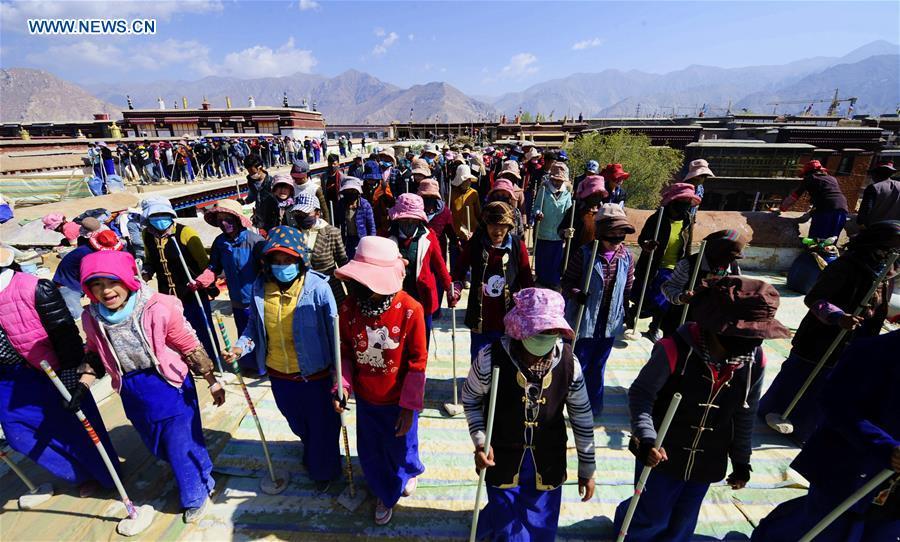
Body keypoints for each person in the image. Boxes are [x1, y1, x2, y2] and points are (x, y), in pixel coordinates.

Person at [613, 276, 790, 541]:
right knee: (652, 513)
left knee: (685, 517)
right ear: (716, 326)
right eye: (741, 336)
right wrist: (646, 437)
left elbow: (745, 411)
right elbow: (642, 394)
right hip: (662, 452)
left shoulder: (755, 359)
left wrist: (741, 460)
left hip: (709, 456)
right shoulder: (674, 350)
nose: (750, 344)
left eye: (755, 337)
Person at [79, 250, 224, 523]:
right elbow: (94, 353)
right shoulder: (92, 318)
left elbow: (188, 344)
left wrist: (212, 381)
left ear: (127, 279)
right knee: (159, 445)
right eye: (96, 285)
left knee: (180, 444)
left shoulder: (158, 307)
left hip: (169, 384)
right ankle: (201, 468)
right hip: (131, 388)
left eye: (112, 282)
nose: (106, 291)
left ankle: (197, 494)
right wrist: (82, 386)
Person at [463, 287, 596, 540]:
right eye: (539, 332)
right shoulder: (489, 358)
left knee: (540, 523)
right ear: (519, 328)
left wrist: (587, 468)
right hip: (500, 458)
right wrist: (481, 441)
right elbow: (470, 399)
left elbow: (581, 416)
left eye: (551, 332)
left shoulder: (570, 364)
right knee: (506, 525)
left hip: (548, 460)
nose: (546, 337)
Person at [758, 220, 900, 444]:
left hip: (857, 338)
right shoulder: (846, 266)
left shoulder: (886, 272)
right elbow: (814, 298)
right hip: (821, 337)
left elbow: (878, 305)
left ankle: (804, 430)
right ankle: (770, 411)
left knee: (829, 388)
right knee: (799, 377)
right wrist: (838, 317)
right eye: (892, 246)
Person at [751, 330, 900, 542]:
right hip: (849, 469)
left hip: (893, 495)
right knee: (822, 529)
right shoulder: (873, 351)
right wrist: (886, 447)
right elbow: (835, 404)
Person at [225, 226, 342, 492]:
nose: (282, 266)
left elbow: (335, 335)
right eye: (276, 261)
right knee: (296, 421)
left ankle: (325, 471)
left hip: (316, 375)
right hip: (280, 374)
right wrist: (240, 347)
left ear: (300, 259)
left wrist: (339, 377)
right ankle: (312, 448)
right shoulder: (259, 288)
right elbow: (254, 328)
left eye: (288, 260)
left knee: (323, 426)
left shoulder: (319, 289)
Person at [0, 247, 118, 497]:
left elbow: (64, 332)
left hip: (51, 369)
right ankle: (79, 472)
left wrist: (70, 371)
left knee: (76, 425)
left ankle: (105, 475)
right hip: (9, 378)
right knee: (17, 433)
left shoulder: (34, 288)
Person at [333, 236, 428, 526]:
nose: (357, 289)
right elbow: (345, 354)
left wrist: (408, 407)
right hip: (366, 399)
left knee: (402, 448)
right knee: (372, 451)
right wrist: (342, 387)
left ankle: (408, 471)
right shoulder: (348, 309)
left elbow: (417, 363)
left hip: (399, 401)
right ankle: (385, 494)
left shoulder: (411, 310)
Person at [562, 204, 636, 417]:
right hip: (584, 318)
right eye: (612, 237)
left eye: (620, 237)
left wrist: (628, 309)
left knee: (599, 364)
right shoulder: (585, 254)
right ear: (601, 233)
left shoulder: (627, 257)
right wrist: (576, 293)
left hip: (609, 320)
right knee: (579, 363)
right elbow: (567, 282)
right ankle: (572, 404)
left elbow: (628, 286)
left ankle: (593, 405)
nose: (616, 242)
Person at [140, 197, 222, 364]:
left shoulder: (185, 233)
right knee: (178, 331)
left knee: (201, 328)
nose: (160, 219)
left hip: (191, 291)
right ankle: (192, 362)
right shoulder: (147, 235)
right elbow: (150, 260)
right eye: (155, 215)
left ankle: (212, 360)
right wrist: (146, 273)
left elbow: (203, 263)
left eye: (163, 214)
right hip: (167, 295)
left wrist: (207, 284)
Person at [190, 199, 265, 373]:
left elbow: (266, 270)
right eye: (220, 220)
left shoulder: (255, 242)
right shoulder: (219, 243)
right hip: (236, 299)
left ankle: (263, 367)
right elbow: (214, 267)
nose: (224, 223)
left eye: (228, 219)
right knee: (243, 333)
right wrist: (203, 280)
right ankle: (248, 365)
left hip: (257, 298)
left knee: (260, 334)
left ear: (238, 219)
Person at [453, 202, 534, 359]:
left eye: (502, 225)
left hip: (508, 317)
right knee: (479, 359)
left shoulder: (518, 246)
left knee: (505, 360)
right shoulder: (476, 244)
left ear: (509, 226)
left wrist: (530, 306)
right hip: (480, 317)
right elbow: (459, 270)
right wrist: (455, 288)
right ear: (486, 225)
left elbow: (527, 280)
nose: (497, 230)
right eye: (493, 225)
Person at [630, 183, 699, 342]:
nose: (685, 207)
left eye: (688, 203)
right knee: (648, 299)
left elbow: (688, 244)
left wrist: (688, 265)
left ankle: (654, 327)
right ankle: (632, 314)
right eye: (682, 202)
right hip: (654, 265)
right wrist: (648, 245)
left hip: (675, 268)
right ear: (673, 202)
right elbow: (642, 239)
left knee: (664, 301)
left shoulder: (688, 220)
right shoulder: (657, 218)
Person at [388, 194, 456, 344]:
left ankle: (419, 367)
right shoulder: (388, 237)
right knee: (397, 338)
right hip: (395, 297)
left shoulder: (429, 237)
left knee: (421, 339)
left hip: (422, 297)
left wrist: (450, 289)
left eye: (413, 220)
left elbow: (440, 267)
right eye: (404, 220)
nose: (409, 223)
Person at [660, 229, 745, 337]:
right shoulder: (688, 264)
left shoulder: (733, 266)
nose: (730, 261)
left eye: (733, 258)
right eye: (727, 257)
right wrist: (681, 297)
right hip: (683, 319)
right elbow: (669, 287)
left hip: (712, 324)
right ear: (715, 255)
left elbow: (738, 288)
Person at [290, 193, 349, 304]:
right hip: (303, 291)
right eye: (298, 213)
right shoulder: (292, 233)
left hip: (331, 289)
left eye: (305, 213)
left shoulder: (332, 233)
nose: (301, 216)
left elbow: (342, 262)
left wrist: (351, 292)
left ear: (317, 213)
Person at [777, 160, 849, 240]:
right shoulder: (832, 179)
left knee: (815, 240)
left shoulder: (811, 178)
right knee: (830, 242)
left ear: (808, 172)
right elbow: (826, 195)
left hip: (825, 210)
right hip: (842, 210)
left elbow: (795, 195)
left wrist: (782, 208)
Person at [534, 162, 574, 288]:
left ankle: (553, 281)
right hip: (544, 231)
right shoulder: (544, 190)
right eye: (555, 180)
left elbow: (568, 211)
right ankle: (541, 280)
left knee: (556, 259)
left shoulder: (567, 194)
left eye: (560, 180)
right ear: (551, 178)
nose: (557, 183)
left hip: (558, 234)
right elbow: (536, 207)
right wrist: (538, 213)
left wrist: (568, 227)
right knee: (542, 257)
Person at [334, 176, 376, 259]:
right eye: (347, 191)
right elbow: (337, 223)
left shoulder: (365, 205)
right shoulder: (341, 204)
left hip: (361, 239)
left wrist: (372, 243)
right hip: (347, 240)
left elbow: (371, 226)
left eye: (352, 191)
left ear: (357, 192)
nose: (350, 193)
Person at [449, 164, 482, 255]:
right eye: (465, 180)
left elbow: (478, 213)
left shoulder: (474, 193)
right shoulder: (452, 194)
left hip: (471, 233)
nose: (468, 182)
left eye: (469, 180)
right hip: (456, 233)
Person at [857, 161, 900, 227]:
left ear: (876, 174)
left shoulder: (874, 188)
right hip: (896, 227)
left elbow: (866, 209)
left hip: (876, 228)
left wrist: (860, 223)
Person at [290, 159, 331, 224]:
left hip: (312, 222)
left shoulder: (315, 188)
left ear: (307, 175)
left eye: (300, 178)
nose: (297, 180)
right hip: (297, 222)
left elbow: (324, 209)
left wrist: (326, 225)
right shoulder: (292, 187)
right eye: (294, 177)